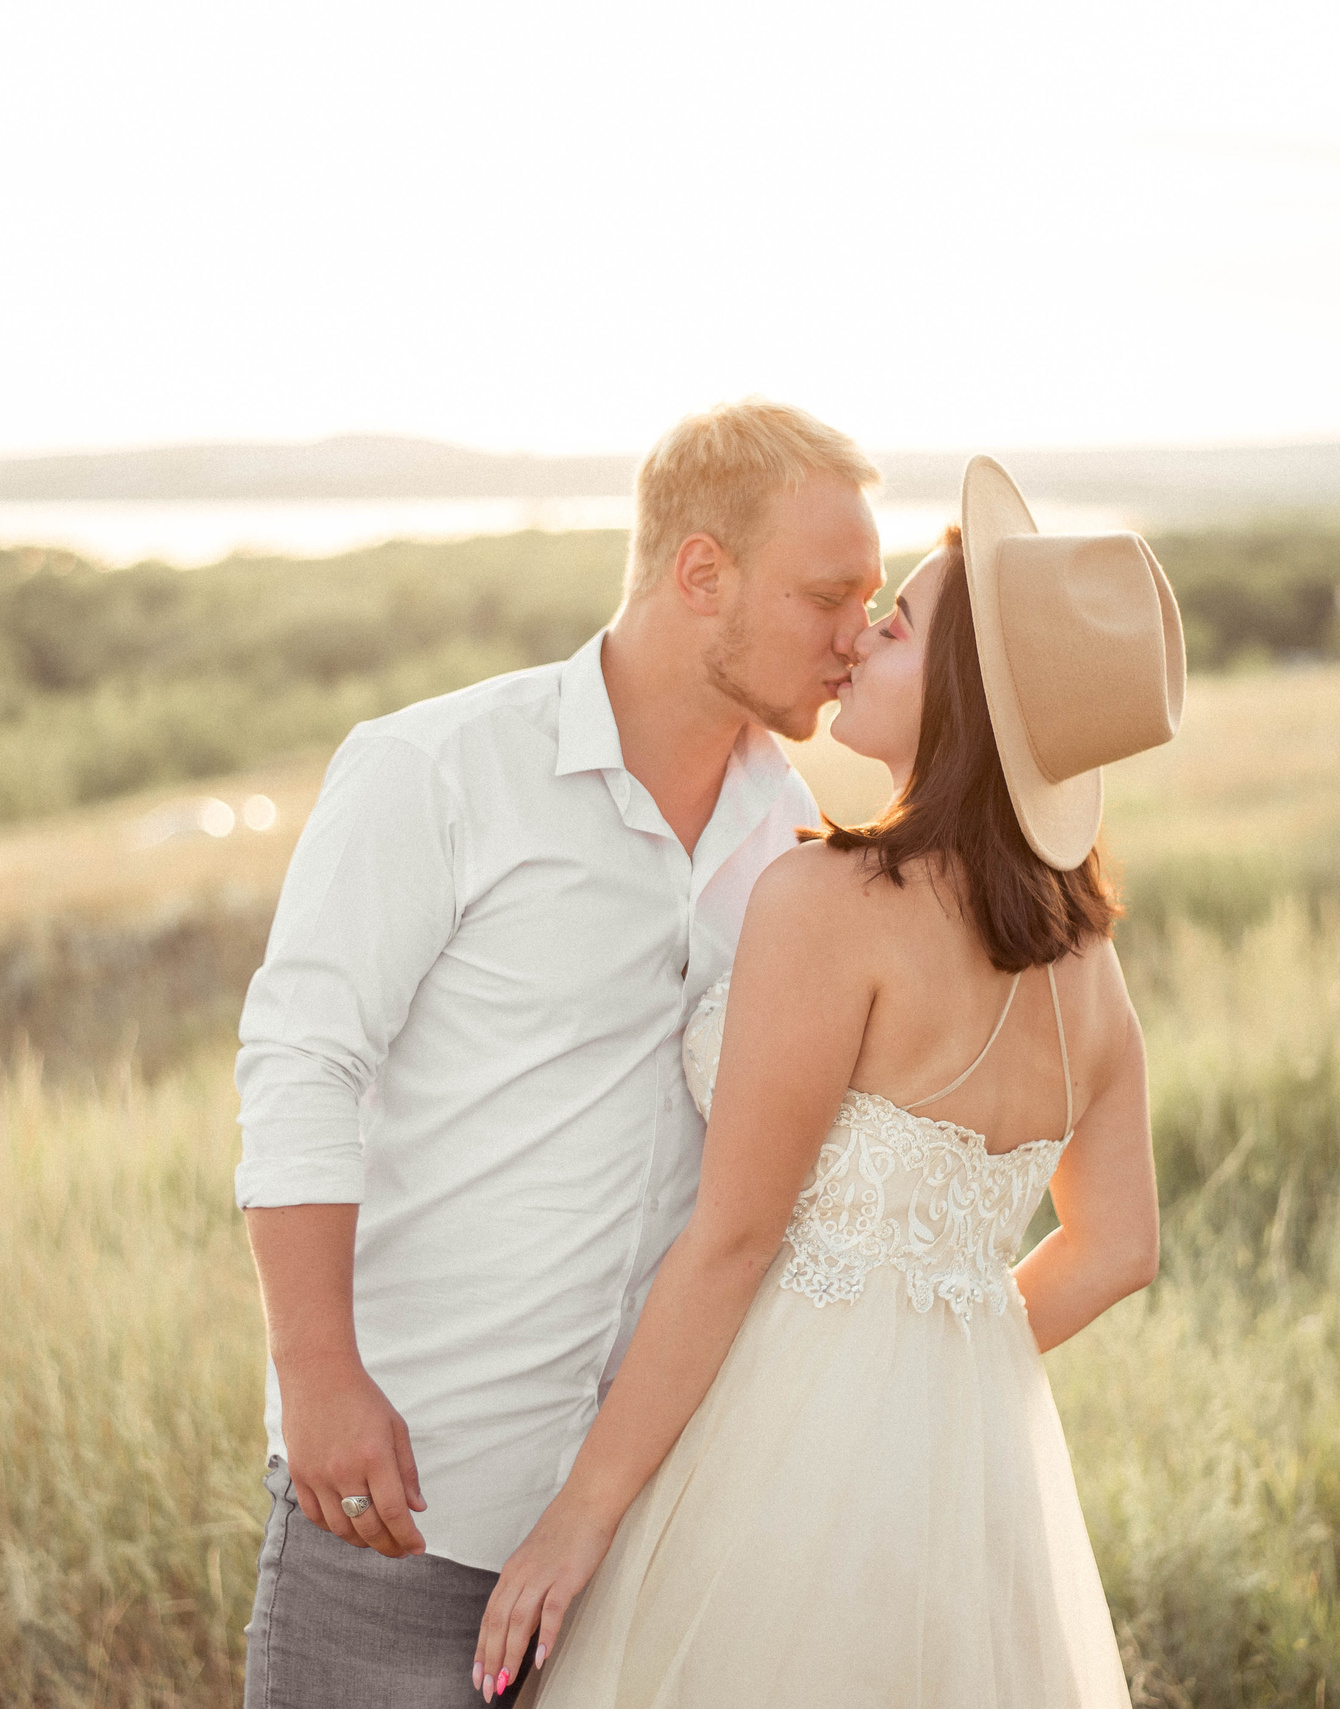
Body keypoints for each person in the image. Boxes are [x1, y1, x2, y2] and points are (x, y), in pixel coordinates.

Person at [473, 455, 1183, 1707]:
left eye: (896, 627)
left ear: (962, 695)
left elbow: (735, 1237)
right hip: (964, 1485)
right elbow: (1117, 1245)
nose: (858, 641)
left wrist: (578, 1515)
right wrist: (926, 1360)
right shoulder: (1092, 965)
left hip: (771, 1463)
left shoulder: (828, 902)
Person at [231, 398, 885, 1708]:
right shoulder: (437, 771)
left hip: (647, 1532)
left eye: (872, 601)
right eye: (828, 595)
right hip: (406, 1510)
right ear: (702, 573)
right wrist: (317, 1372)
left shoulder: (792, 833)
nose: (856, 637)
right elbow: (300, 1062)